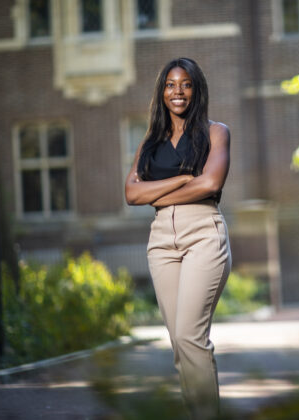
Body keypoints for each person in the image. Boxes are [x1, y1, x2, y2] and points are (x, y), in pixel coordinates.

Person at [125, 57, 231, 419]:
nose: (177, 91)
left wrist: (155, 192)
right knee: (179, 346)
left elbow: (211, 183)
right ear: (162, 92)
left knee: (190, 336)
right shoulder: (151, 141)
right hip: (161, 242)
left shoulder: (216, 132)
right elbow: (131, 193)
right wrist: (183, 179)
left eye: (185, 84)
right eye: (170, 85)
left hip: (203, 233)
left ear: (196, 89)